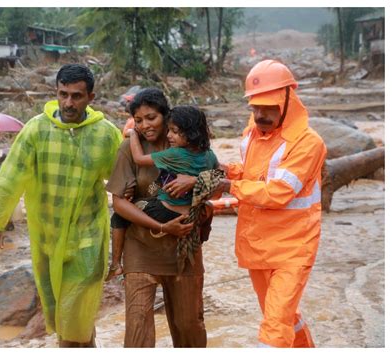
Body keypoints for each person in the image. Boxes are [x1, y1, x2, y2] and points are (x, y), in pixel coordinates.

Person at [0, 64, 122, 347]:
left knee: (72, 318)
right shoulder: (36, 130)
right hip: (47, 240)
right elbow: (10, 178)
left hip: (87, 239)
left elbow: (125, 181)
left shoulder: (105, 135)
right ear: (55, 93)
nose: (69, 103)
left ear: (90, 98)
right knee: (67, 320)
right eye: (63, 94)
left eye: (77, 96)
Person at [213, 59, 327, 347]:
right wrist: (227, 170)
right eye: (255, 107)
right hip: (258, 243)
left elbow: (278, 192)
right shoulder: (254, 131)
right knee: (284, 317)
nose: (260, 115)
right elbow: (254, 171)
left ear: (288, 100)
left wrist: (230, 185)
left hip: (293, 248)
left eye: (268, 108)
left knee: (274, 327)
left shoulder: (308, 143)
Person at [106, 88, 208, 347]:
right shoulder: (130, 148)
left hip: (184, 248)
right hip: (141, 248)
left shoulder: (191, 146)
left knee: (189, 327)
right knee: (138, 328)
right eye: (138, 120)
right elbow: (118, 203)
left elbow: (220, 181)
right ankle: (117, 263)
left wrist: (193, 180)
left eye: (151, 117)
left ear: (166, 115)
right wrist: (161, 225)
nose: (145, 126)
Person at [106, 105, 219, 281]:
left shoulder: (174, 154)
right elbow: (218, 176)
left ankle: (115, 264)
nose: (169, 135)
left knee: (121, 215)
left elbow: (139, 159)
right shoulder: (209, 155)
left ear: (189, 134)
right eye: (138, 121)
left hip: (165, 211)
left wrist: (133, 134)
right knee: (164, 184)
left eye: (174, 131)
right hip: (191, 213)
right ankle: (206, 226)